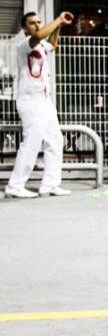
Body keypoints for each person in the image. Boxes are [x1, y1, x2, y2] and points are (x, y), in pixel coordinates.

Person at [4, 11, 73, 199]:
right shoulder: (24, 44)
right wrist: (58, 19)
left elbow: (52, 44)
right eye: (32, 23)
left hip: (44, 100)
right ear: (24, 29)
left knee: (55, 140)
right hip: (30, 100)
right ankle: (15, 185)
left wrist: (58, 26)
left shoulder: (41, 44)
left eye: (39, 22)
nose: (37, 25)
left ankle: (50, 184)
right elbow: (38, 36)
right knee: (32, 142)